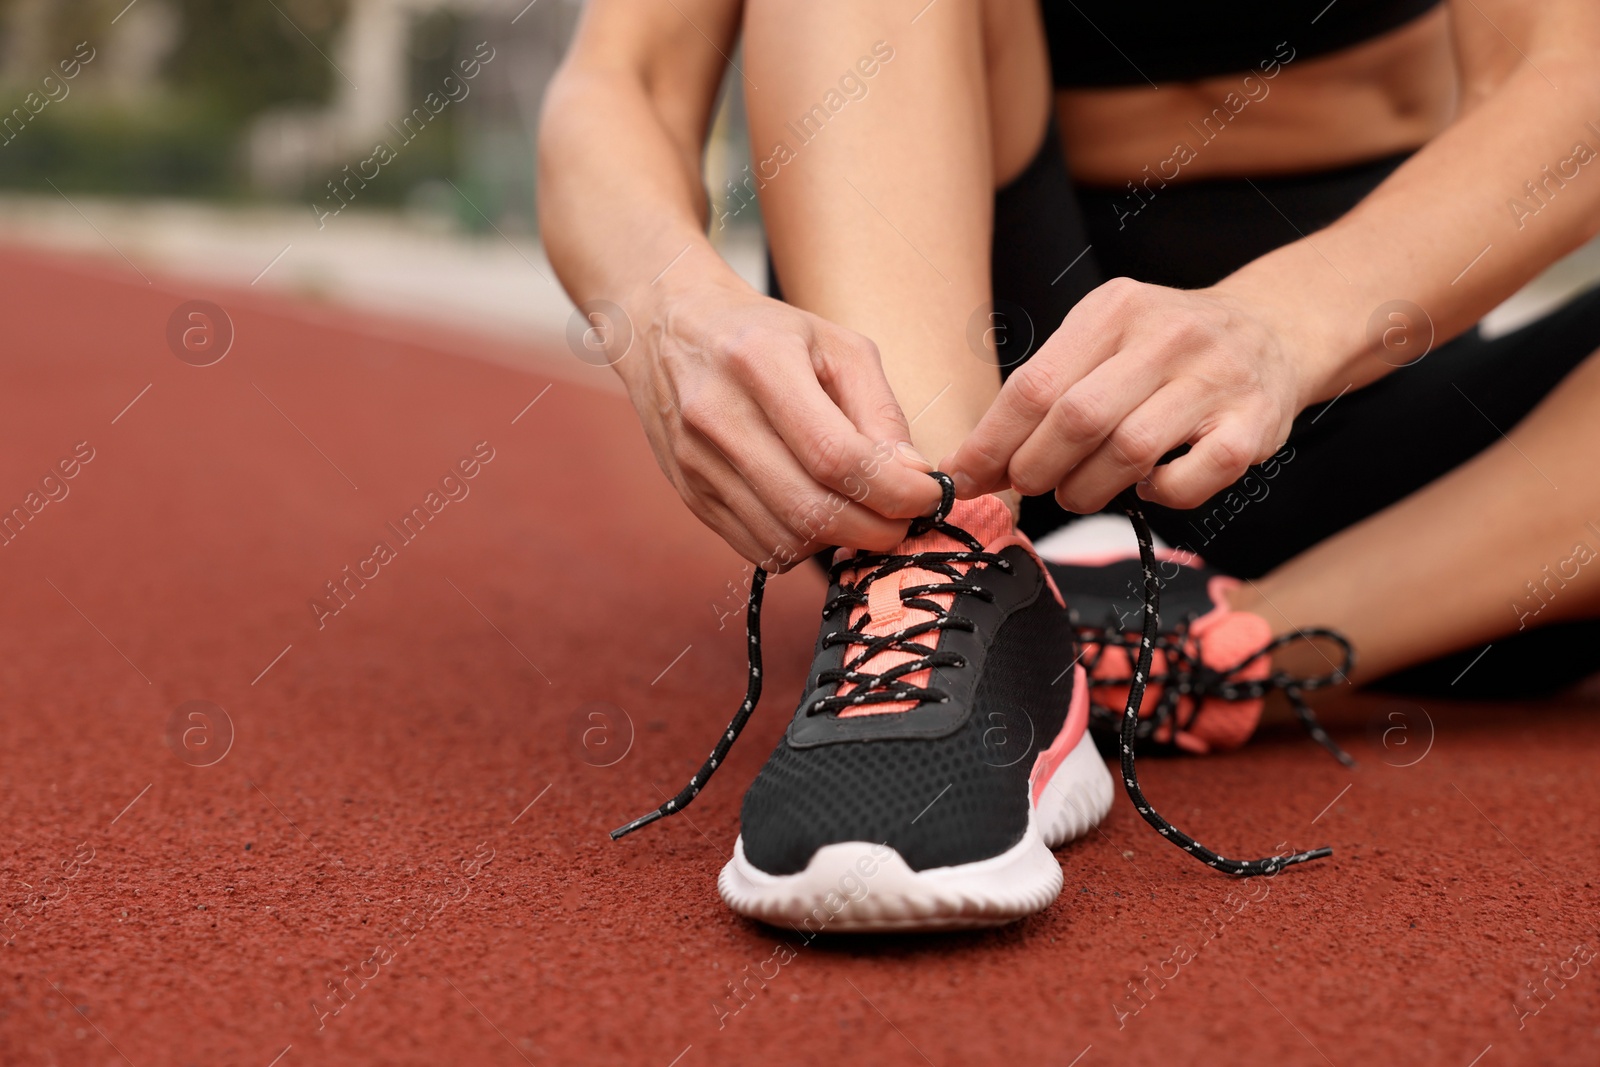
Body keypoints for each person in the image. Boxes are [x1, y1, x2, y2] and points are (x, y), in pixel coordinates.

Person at [539, 0, 1600, 929]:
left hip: (1370, 426)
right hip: (980, 413)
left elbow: (1569, 80)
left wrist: (1277, 325)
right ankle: (944, 572)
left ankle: (1208, 650)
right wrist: (665, 314)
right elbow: (622, 80)